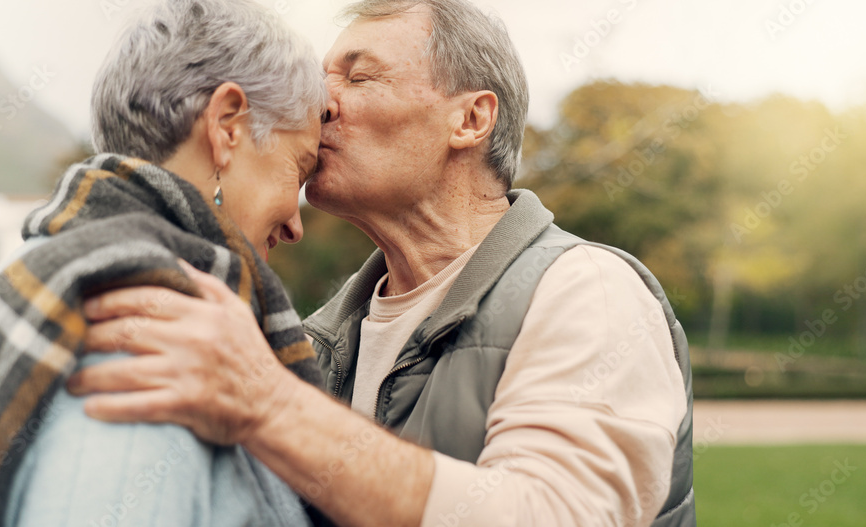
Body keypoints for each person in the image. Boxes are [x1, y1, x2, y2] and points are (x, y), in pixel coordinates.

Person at [70, 0, 696, 526]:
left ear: (471, 119)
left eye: (358, 76)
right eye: (322, 80)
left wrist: (271, 405)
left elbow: (554, 513)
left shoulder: (586, 289)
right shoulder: (311, 339)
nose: (320, 104)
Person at [0, 1, 329, 526]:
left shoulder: (46, 271)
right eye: (297, 169)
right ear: (228, 126)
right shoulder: (156, 329)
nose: (296, 225)